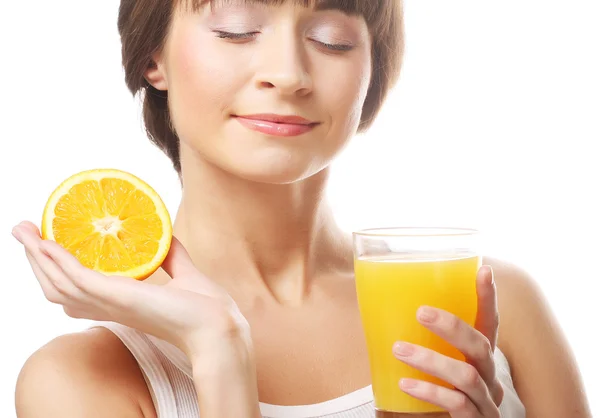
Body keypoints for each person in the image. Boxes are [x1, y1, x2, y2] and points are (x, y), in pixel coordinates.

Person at [11, 1, 592, 417]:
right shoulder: (81, 379)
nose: (288, 74)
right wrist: (218, 350)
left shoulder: (488, 301)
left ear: (373, 71)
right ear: (152, 56)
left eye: (333, 37)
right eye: (237, 29)